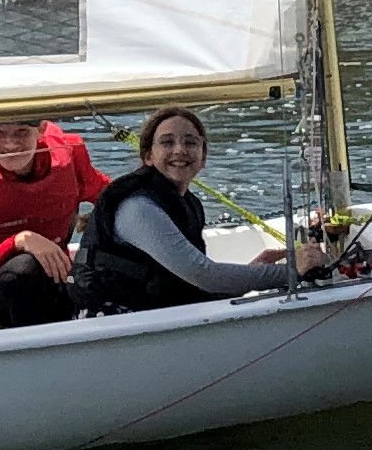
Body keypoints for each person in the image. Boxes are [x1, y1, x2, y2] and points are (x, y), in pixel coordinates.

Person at [74, 105, 330, 315]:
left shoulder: (187, 203)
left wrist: (255, 268)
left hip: (153, 317)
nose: (180, 150)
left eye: (191, 142)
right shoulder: (138, 208)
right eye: (167, 142)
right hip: (113, 325)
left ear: (203, 156)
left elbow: (191, 284)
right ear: (148, 157)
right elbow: (203, 274)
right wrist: (291, 272)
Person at [0, 116, 113, 331]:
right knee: (22, 272)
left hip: (58, 282)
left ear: (41, 129)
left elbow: (111, 197)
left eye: (21, 132)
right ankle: (39, 353)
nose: (11, 144)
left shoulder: (70, 155)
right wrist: (19, 242)